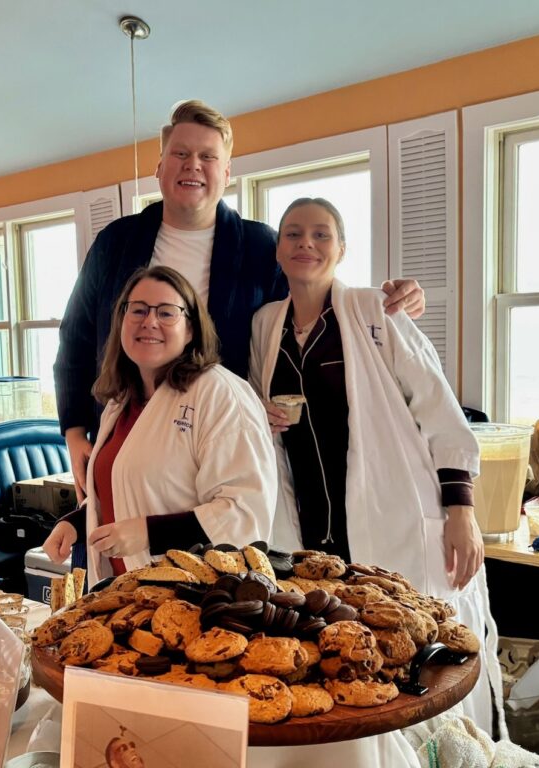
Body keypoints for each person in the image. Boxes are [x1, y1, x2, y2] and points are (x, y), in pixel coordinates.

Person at [54, 99, 425, 501]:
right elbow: (76, 336)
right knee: (115, 552)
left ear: (226, 172)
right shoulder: (115, 242)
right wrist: (74, 431)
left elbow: (306, 312)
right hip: (124, 438)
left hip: (222, 443)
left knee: (217, 557)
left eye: (207, 156)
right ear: (160, 167)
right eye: (180, 153)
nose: (192, 165)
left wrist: (381, 303)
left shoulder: (258, 245)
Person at [249, 197, 501, 735]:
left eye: (321, 235)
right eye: (293, 234)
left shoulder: (374, 312)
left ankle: (446, 748)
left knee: (420, 657)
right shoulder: (266, 325)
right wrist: (263, 415)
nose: (306, 245)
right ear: (278, 251)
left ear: (342, 249)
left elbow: (439, 409)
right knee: (351, 663)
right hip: (312, 527)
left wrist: (462, 511)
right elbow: (256, 411)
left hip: (394, 515)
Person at [42, 266, 276, 583]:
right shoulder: (122, 400)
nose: (149, 321)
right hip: (130, 597)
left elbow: (245, 512)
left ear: (191, 329)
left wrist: (148, 533)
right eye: (137, 310)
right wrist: (75, 522)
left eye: (167, 313)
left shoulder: (221, 395)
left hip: (194, 603)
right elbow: (129, 490)